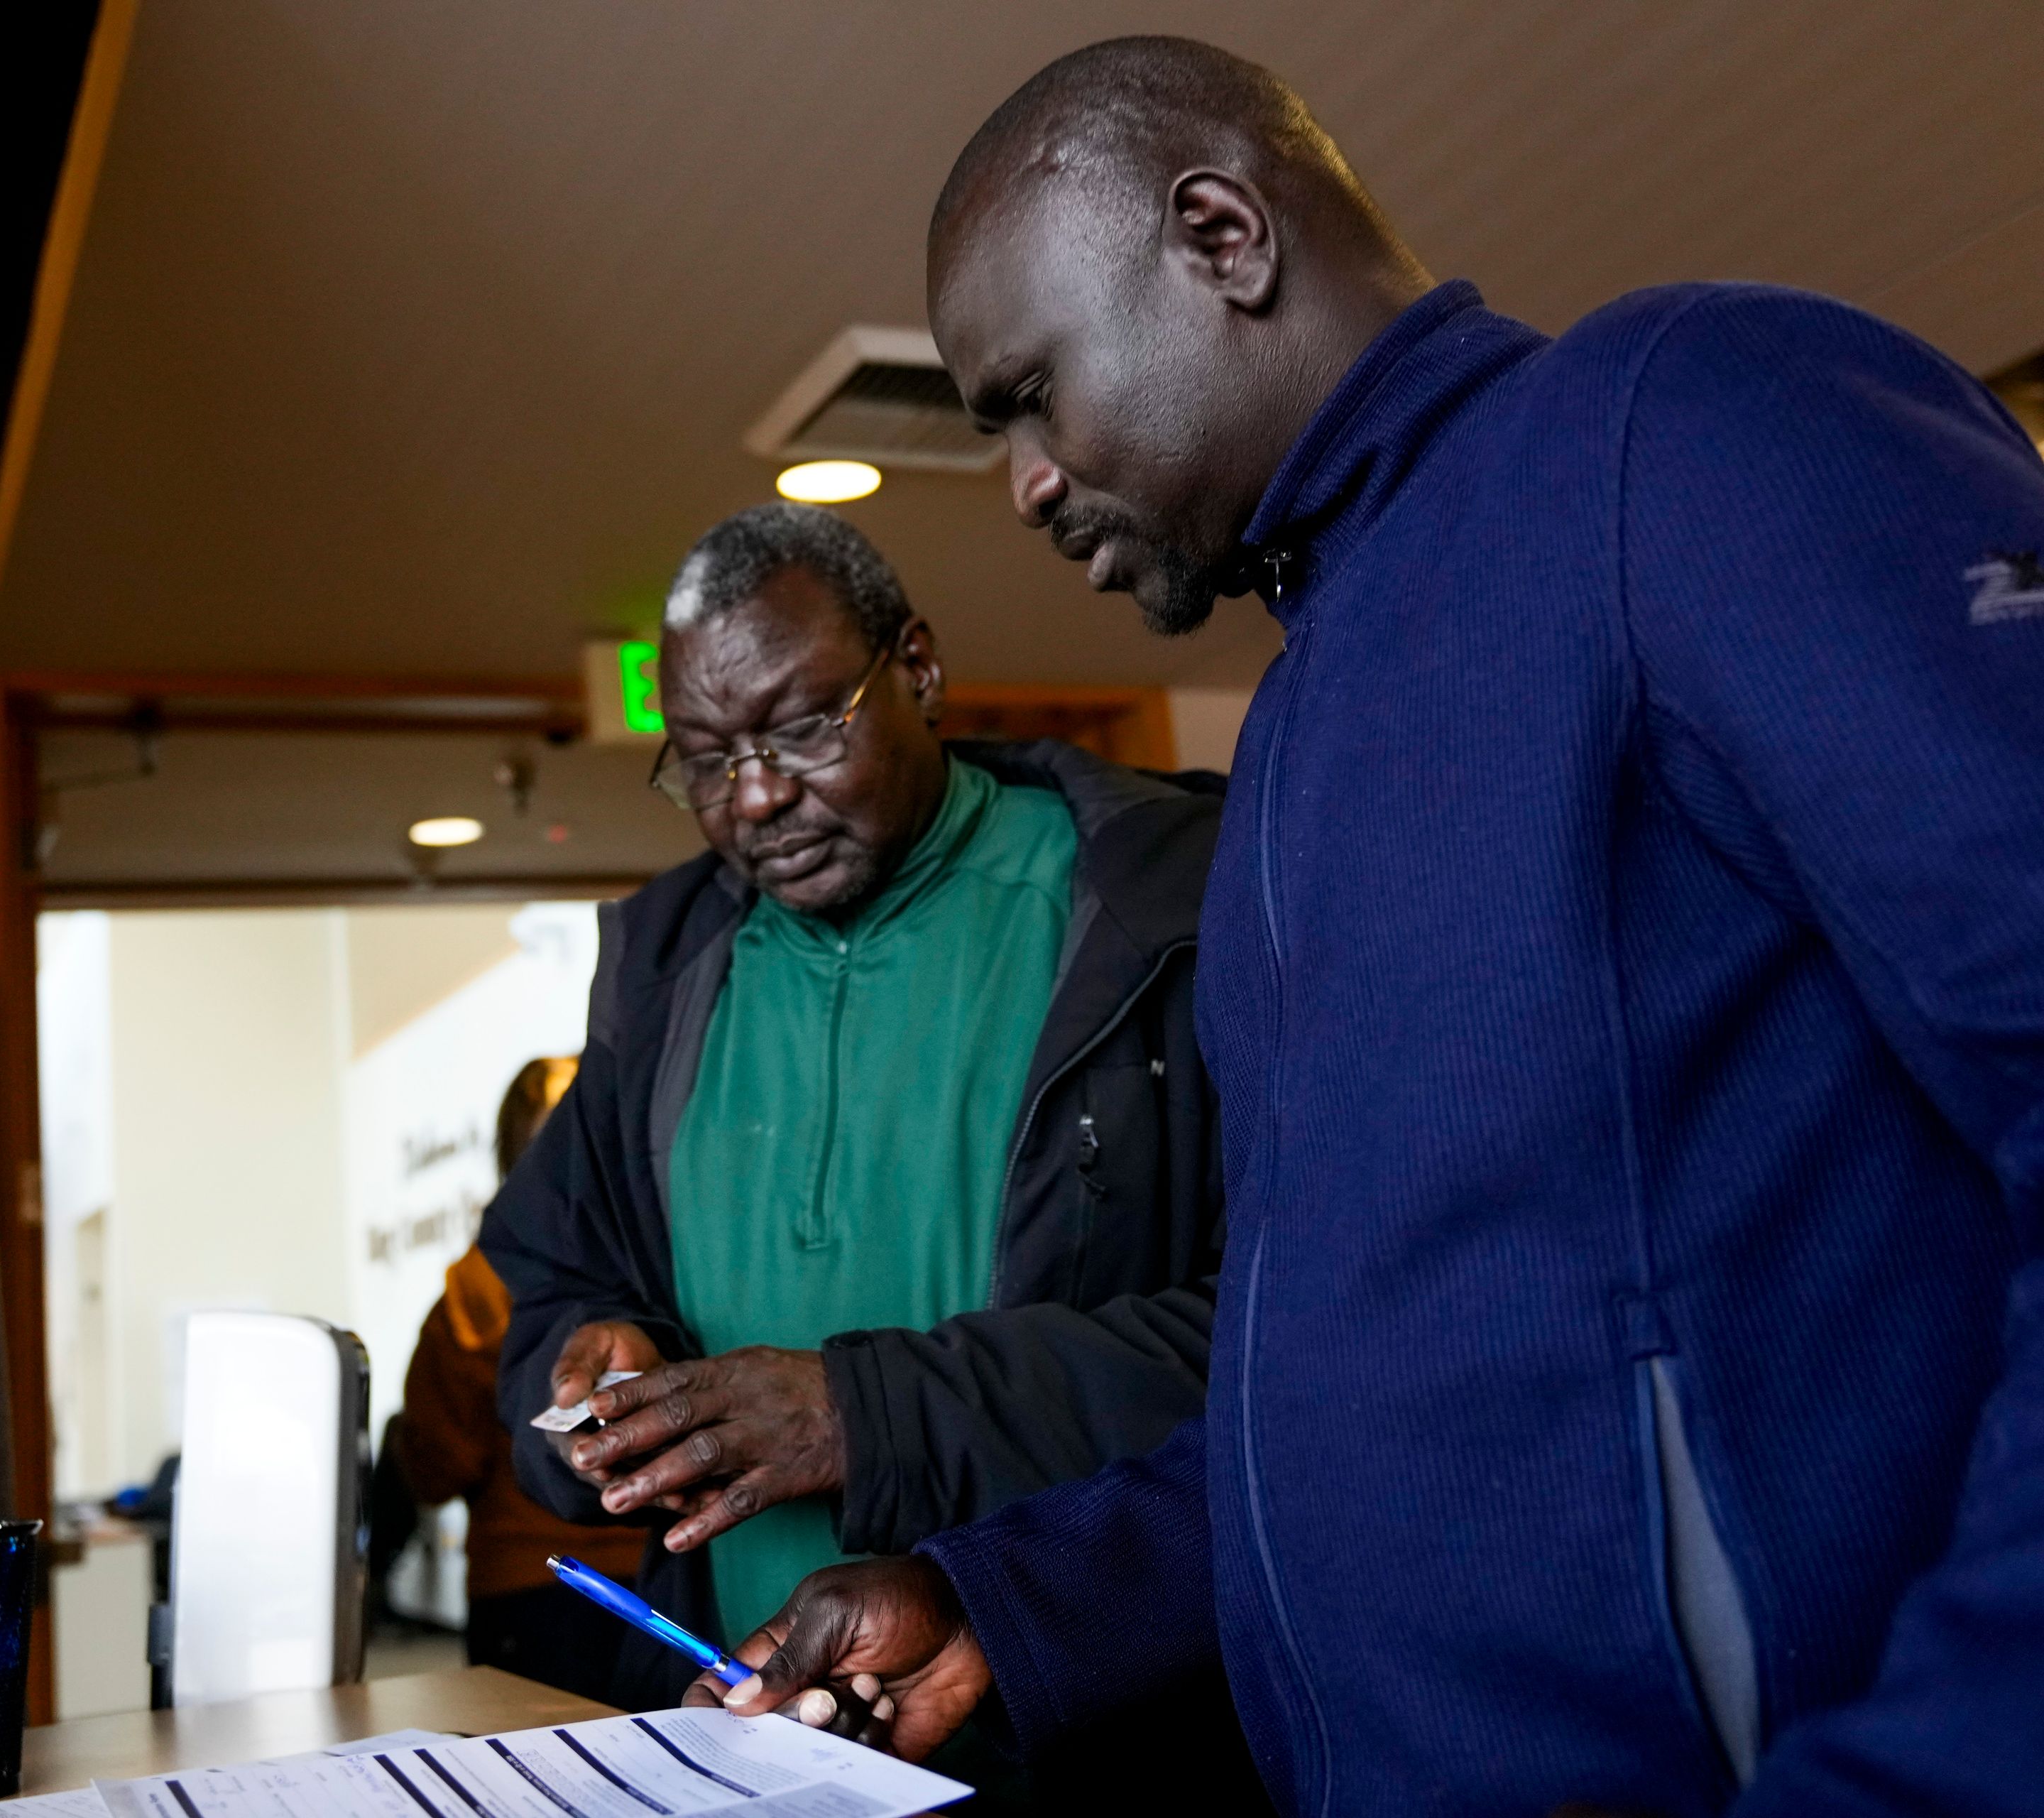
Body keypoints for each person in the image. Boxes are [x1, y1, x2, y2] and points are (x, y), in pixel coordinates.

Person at [706, 34, 2044, 1818]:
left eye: (1029, 393)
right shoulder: (1288, 746)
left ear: (1218, 234)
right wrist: (1008, 1605)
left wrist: (1938, 1770)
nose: (1020, 482)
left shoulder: (1685, 420)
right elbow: (1362, 1382)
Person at [477, 503, 1237, 1750]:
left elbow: (1272, 1349)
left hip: (1092, 1720)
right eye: (706, 758)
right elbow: (545, 1290)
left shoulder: (1160, 914)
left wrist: (864, 1413)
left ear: (920, 669)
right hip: (749, 1725)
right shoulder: (662, 977)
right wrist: (589, 1375)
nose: (758, 795)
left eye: (802, 728)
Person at [382, 1057, 648, 1702]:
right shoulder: (651, 1269)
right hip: (631, 1585)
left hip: (537, 1588)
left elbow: (436, 1468)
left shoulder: (471, 1296)